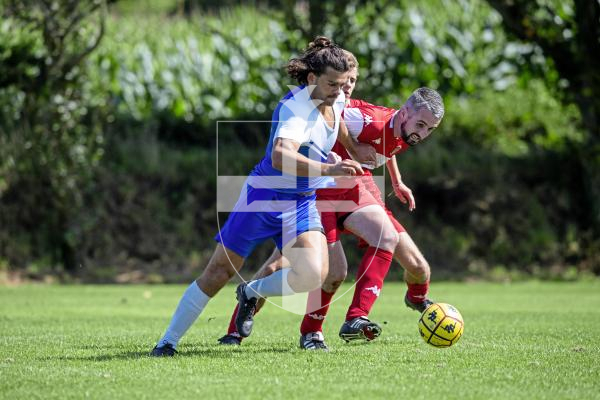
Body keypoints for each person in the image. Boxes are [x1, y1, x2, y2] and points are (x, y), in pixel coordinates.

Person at [150, 36, 373, 356]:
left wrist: (350, 150)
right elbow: (282, 156)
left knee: (313, 274)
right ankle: (167, 342)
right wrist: (327, 170)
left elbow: (336, 126)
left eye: (343, 84)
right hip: (263, 197)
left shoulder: (332, 98)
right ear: (312, 79)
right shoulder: (295, 109)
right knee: (218, 273)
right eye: (332, 85)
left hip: (300, 201)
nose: (340, 92)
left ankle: (252, 291)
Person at [218, 52, 445, 350]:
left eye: (353, 80)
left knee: (400, 250)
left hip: (355, 189)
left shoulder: (405, 128)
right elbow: (332, 113)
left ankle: (357, 318)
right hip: (318, 192)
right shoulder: (358, 114)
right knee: (304, 268)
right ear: (405, 113)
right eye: (344, 81)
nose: (348, 86)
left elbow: (385, 148)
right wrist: (336, 154)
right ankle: (241, 328)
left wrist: (397, 181)